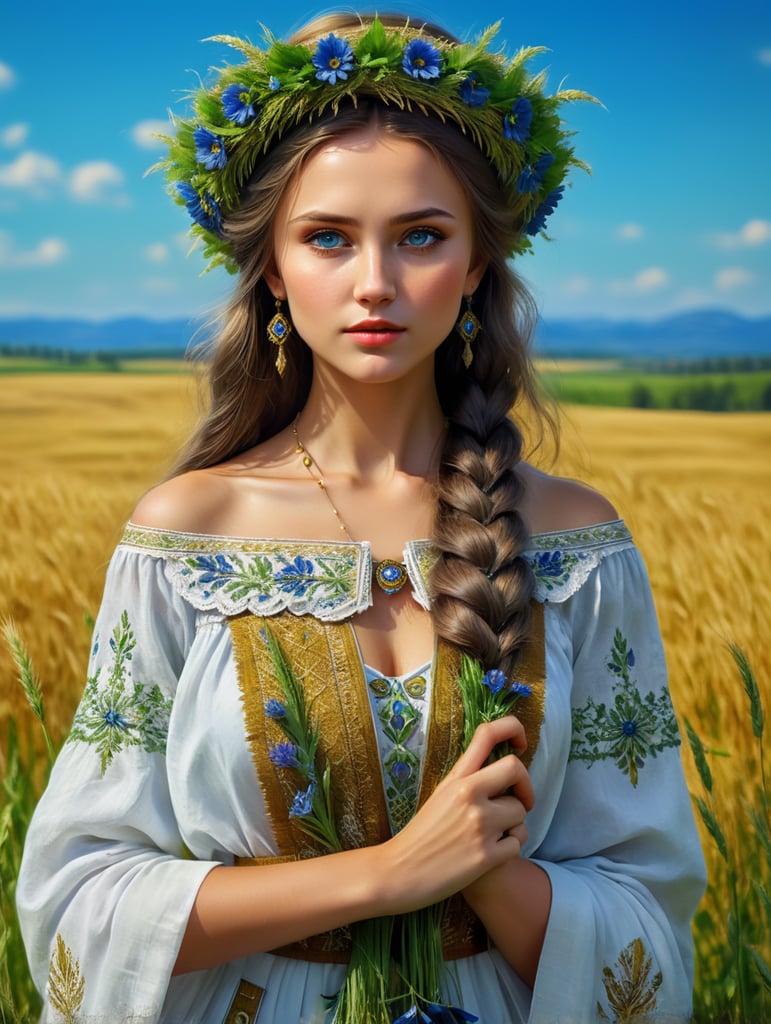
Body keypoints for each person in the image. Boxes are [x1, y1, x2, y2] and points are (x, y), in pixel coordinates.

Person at [17, 13, 705, 1024]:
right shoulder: (186, 536)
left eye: (421, 236)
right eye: (328, 238)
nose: (374, 283)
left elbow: (649, 906)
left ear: (476, 263)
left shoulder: (578, 547)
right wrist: (389, 873)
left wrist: (484, 877)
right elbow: (78, 897)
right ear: (272, 271)